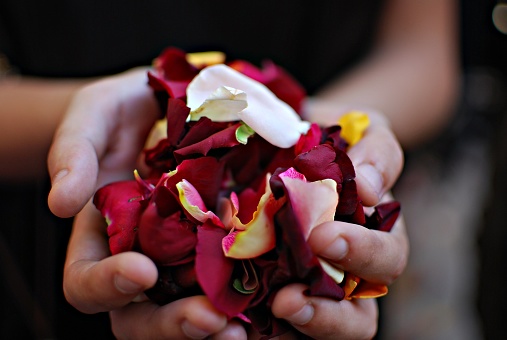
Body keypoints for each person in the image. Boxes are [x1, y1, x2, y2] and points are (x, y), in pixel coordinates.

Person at [0, 0, 458, 338]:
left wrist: (324, 139)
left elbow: (422, 53)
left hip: (317, 251)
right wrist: (84, 124)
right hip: (43, 239)